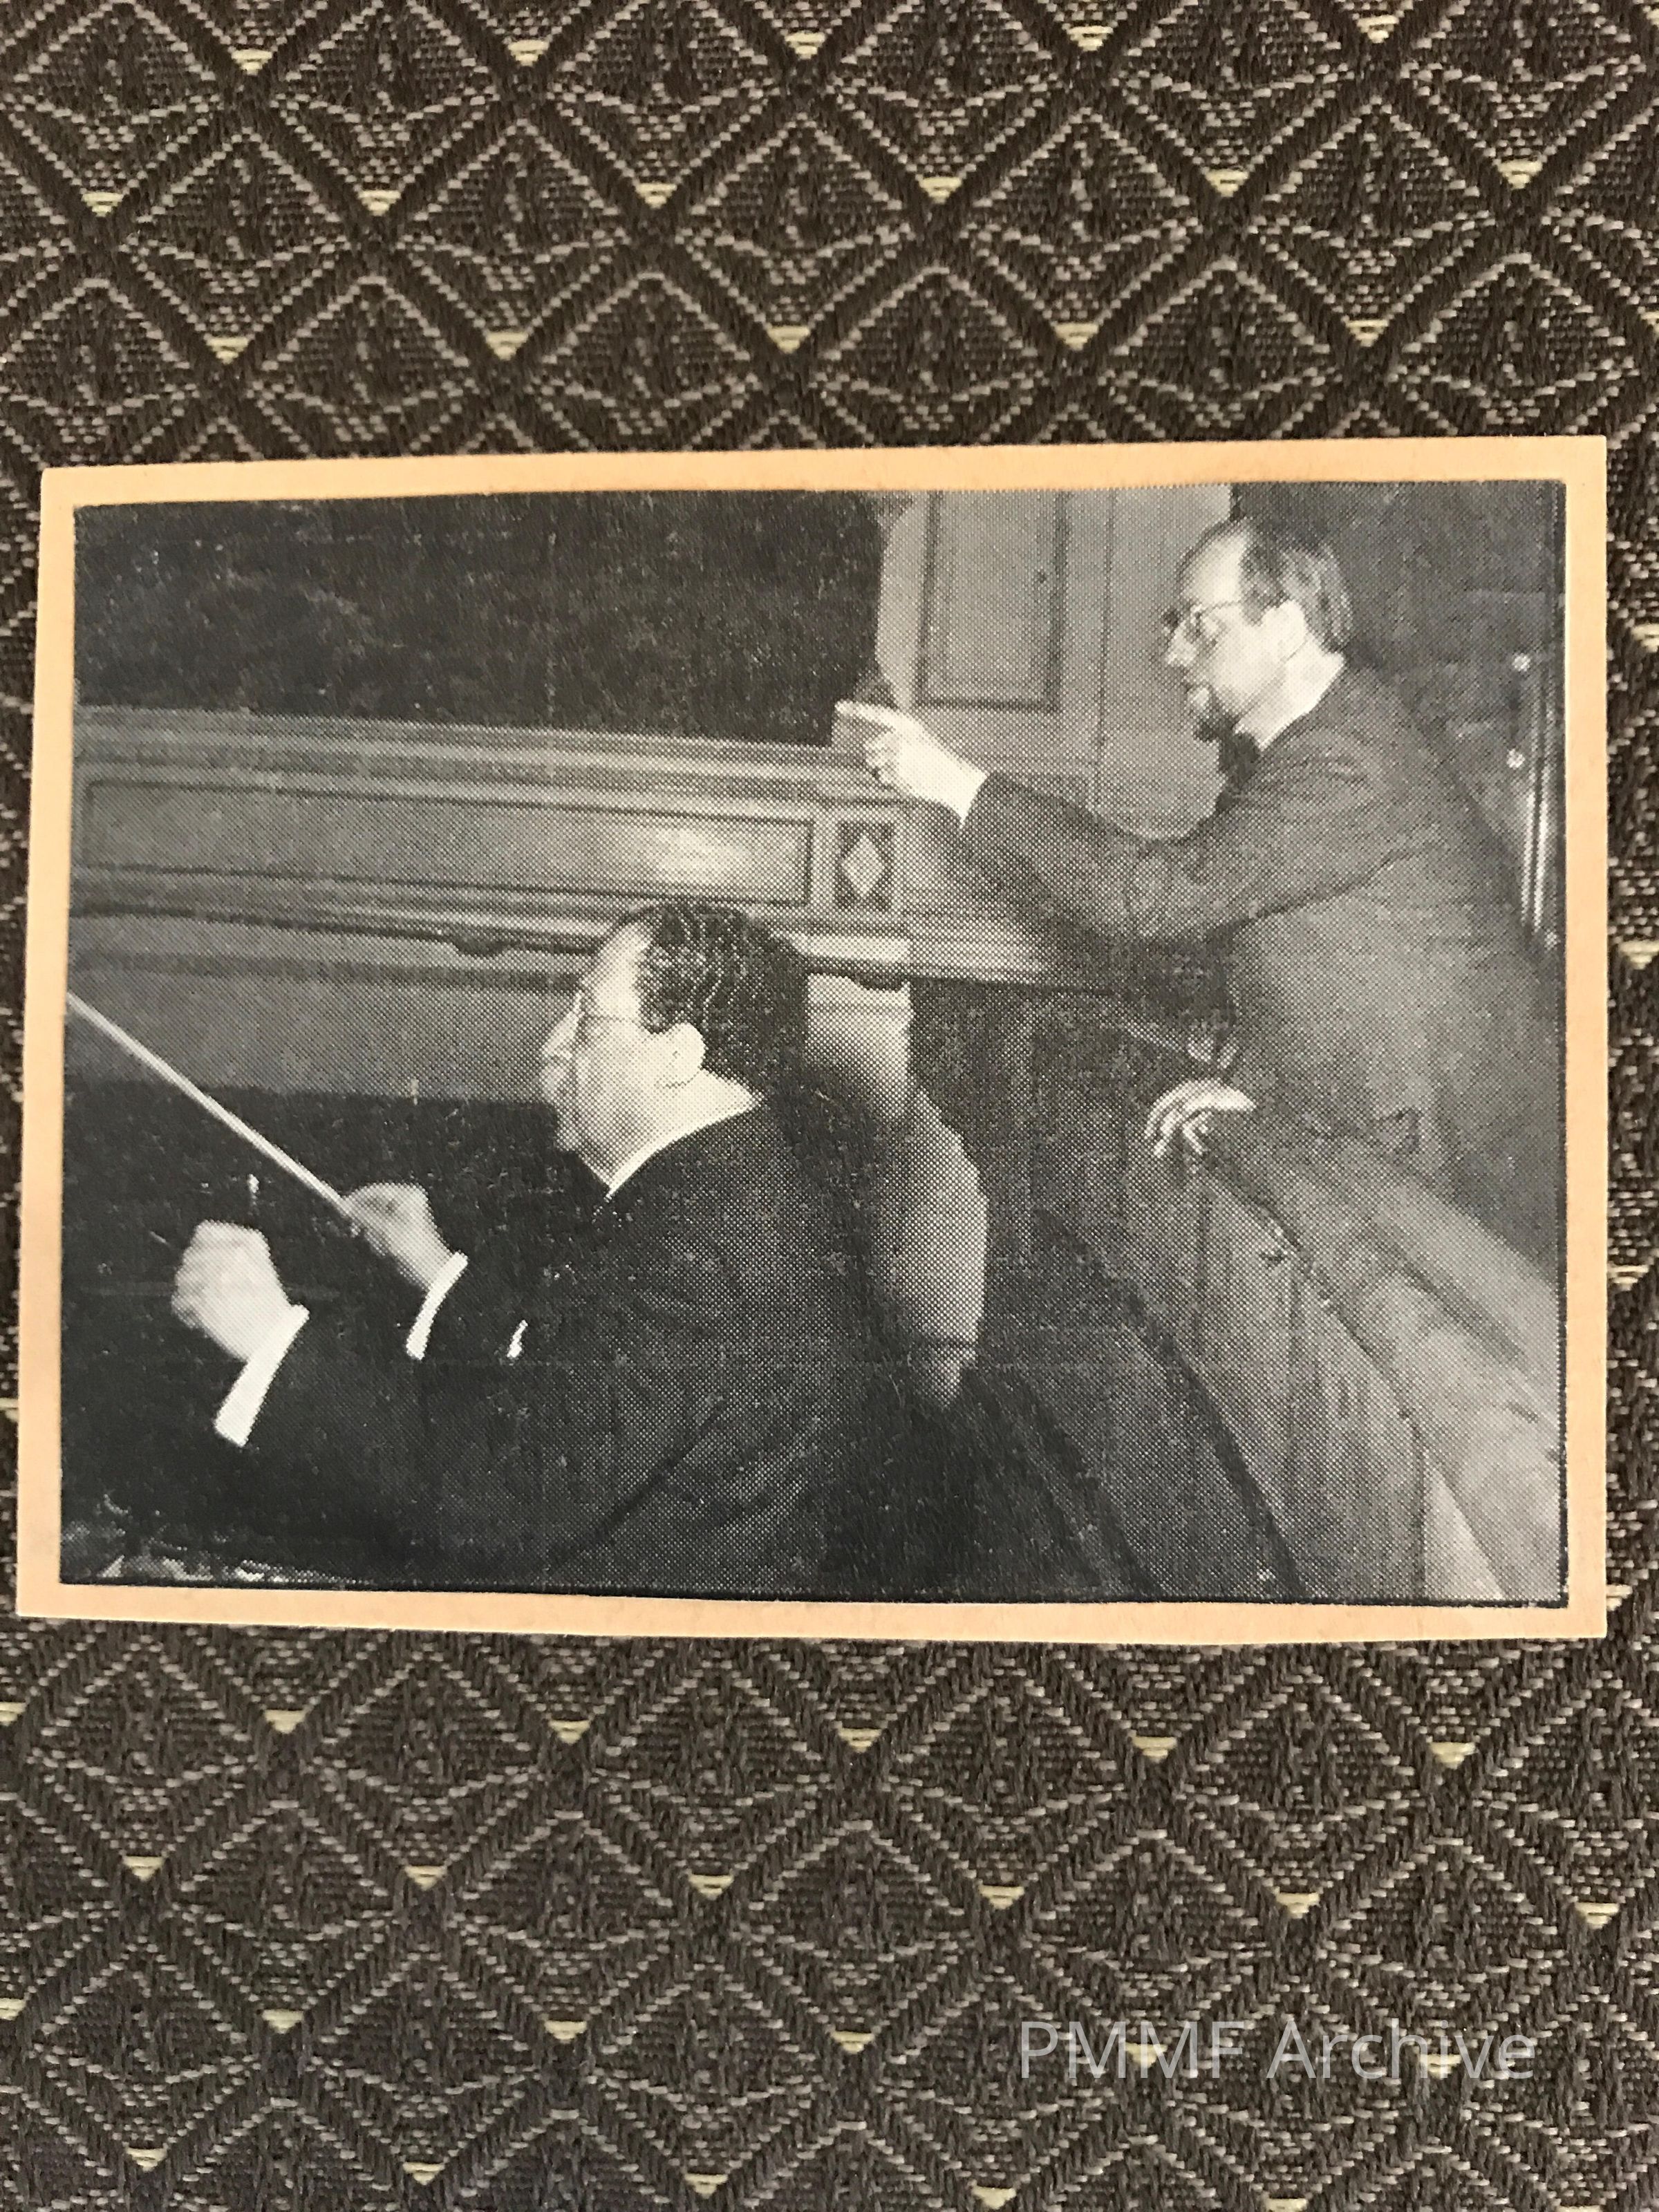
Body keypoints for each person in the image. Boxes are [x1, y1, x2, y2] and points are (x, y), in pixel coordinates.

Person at [845, 516, 1562, 1267]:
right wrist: (1259, 1085)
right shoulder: (1304, 751)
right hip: (1407, 1142)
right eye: (1175, 625)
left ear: (1285, 627)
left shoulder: (1345, 760)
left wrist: (956, 782)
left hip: (1460, 1179)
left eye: (1200, 626)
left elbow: (1153, 899)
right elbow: (1314, 955)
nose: (1174, 653)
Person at [169, 900, 896, 1593]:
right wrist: (437, 1272)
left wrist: (275, 1343)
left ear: (677, 1054)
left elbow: (511, 1489)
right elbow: (589, 1394)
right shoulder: (736, 1192)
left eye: (588, 1018)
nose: (555, 1044)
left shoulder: (695, 1242)